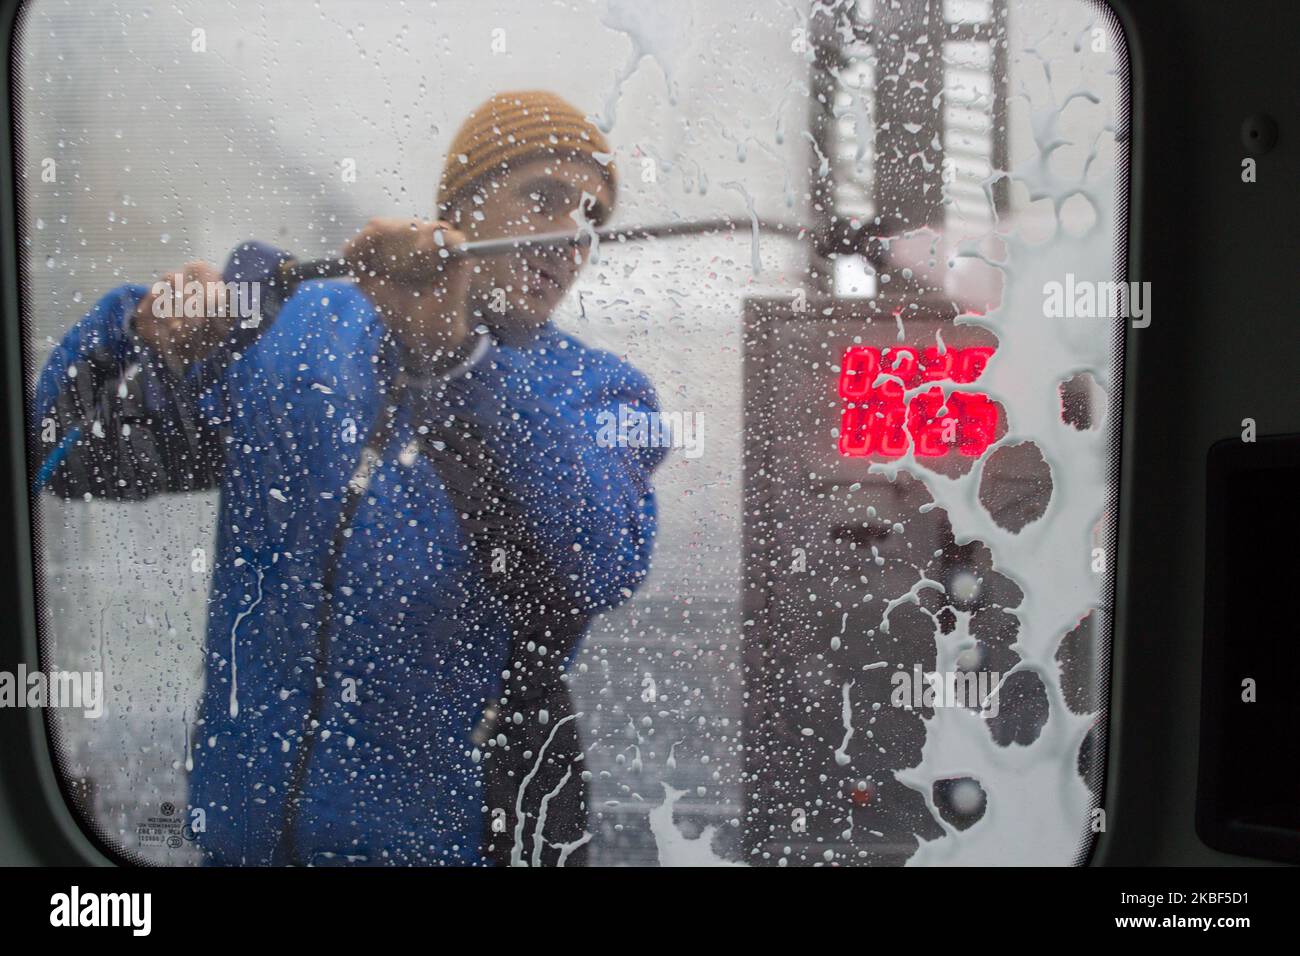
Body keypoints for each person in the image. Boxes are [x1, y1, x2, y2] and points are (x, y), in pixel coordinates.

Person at [33, 91, 665, 865]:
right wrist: (139, 328)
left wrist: (461, 365)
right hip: (242, 844)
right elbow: (65, 452)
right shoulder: (299, 333)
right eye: (545, 198)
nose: (573, 238)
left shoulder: (599, 394)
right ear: (458, 210)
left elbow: (596, 562)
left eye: (592, 219)